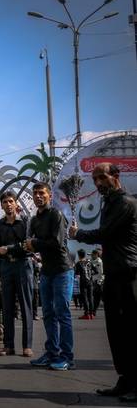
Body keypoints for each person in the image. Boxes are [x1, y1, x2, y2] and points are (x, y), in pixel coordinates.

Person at [69, 163, 137, 401]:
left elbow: (104, 233)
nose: (98, 183)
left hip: (129, 274)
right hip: (114, 274)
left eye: (102, 177)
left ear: (115, 176)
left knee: (131, 330)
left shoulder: (126, 203)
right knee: (116, 332)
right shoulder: (108, 202)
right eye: (95, 179)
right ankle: (125, 379)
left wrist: (78, 234)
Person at [26, 182, 74, 371]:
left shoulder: (56, 215)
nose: (38, 196)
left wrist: (34, 243)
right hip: (46, 271)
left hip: (62, 269)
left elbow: (57, 242)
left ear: (50, 195)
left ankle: (67, 357)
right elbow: (29, 242)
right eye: (35, 193)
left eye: (42, 193)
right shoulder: (34, 220)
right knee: (48, 314)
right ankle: (52, 353)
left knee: (62, 313)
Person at [0, 191, 33, 358]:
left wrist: (9, 248)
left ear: (16, 203)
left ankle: (27, 346)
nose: (8, 204)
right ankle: (8, 346)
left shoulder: (26, 221)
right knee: (7, 307)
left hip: (23, 265)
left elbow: (28, 245)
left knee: (26, 306)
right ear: (1, 205)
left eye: (11, 201)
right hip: (6, 267)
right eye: (5, 202)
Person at [73, 249, 96, 320]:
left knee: (85, 298)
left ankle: (87, 314)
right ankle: (92, 314)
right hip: (90, 281)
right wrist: (90, 274)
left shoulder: (78, 263)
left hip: (83, 282)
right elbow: (96, 271)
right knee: (91, 297)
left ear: (79, 255)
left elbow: (76, 274)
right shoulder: (89, 262)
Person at [90, 249, 104, 317]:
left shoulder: (99, 262)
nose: (91, 256)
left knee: (98, 297)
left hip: (98, 282)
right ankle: (94, 311)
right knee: (95, 297)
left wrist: (100, 282)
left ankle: (94, 310)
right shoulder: (92, 261)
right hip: (94, 281)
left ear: (96, 255)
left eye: (92, 255)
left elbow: (101, 272)